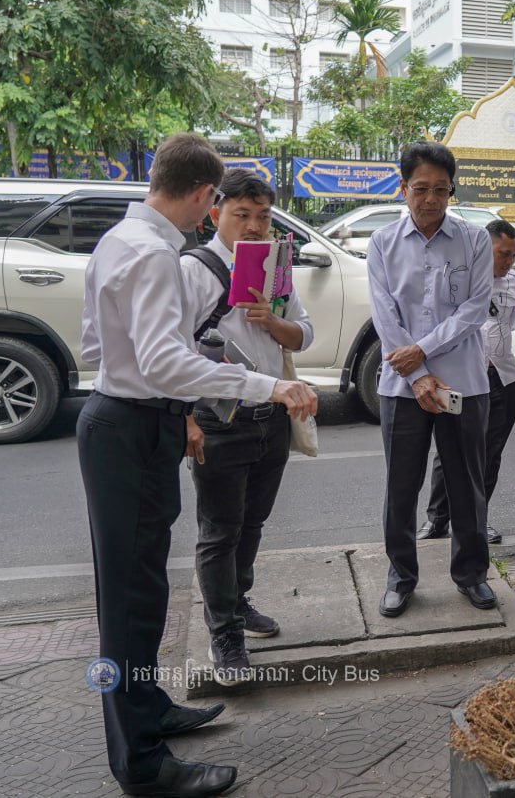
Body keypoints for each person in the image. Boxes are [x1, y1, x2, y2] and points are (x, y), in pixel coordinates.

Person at [77, 133, 317, 797]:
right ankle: (144, 762)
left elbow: (95, 340)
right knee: (128, 604)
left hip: (128, 417)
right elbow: (161, 361)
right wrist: (268, 386)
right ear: (206, 197)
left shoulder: (119, 239)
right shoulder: (157, 255)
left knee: (143, 593)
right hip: (131, 422)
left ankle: (149, 710)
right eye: (223, 202)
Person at [181, 169, 314, 686]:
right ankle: (225, 638)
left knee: (252, 525)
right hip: (218, 419)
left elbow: (301, 334)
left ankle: (238, 603)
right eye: (243, 215)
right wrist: (187, 415)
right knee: (219, 532)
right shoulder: (195, 270)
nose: (255, 226)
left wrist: (270, 320)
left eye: (263, 217)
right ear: (215, 214)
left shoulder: (277, 268)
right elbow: (172, 352)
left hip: (271, 419)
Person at [367, 142, 496, 617]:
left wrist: (421, 352)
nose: (430, 199)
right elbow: (386, 316)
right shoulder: (382, 243)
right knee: (402, 488)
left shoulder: (475, 240)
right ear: (403, 189)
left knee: (466, 485)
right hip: (401, 389)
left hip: (463, 382)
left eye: (441, 190)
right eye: (420, 189)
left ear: (452, 191)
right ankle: (401, 577)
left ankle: (471, 575)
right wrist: (418, 373)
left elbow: (474, 310)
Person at [419, 220, 515, 545]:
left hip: (503, 378)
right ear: (484, 249)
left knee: (489, 454)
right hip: (462, 378)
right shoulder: (460, 280)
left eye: (513, 255)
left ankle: (479, 519)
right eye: (502, 254)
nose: (508, 262)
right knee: (448, 451)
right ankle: (437, 519)